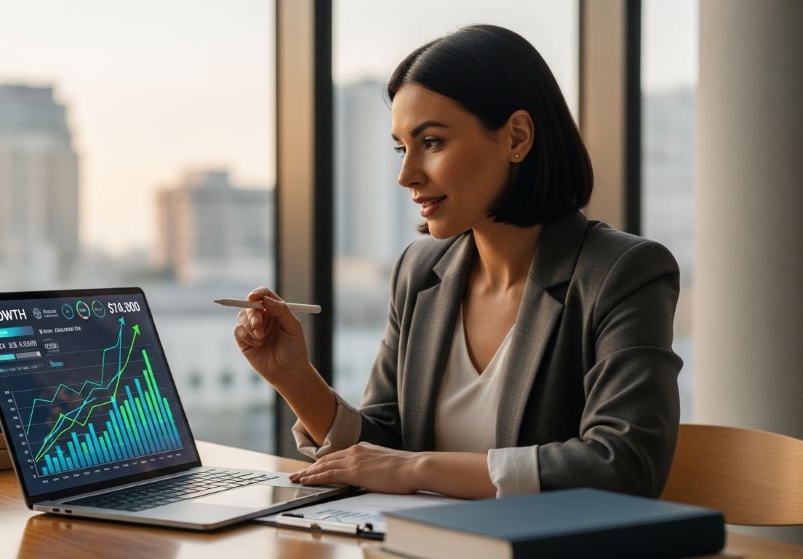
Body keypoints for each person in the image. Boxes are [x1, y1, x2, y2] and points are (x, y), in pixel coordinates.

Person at [232, 24, 681, 499]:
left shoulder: (623, 273)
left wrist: (417, 469)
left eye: (431, 143)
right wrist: (295, 378)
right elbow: (385, 447)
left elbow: (623, 465)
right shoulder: (420, 270)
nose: (406, 175)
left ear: (516, 137)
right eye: (402, 148)